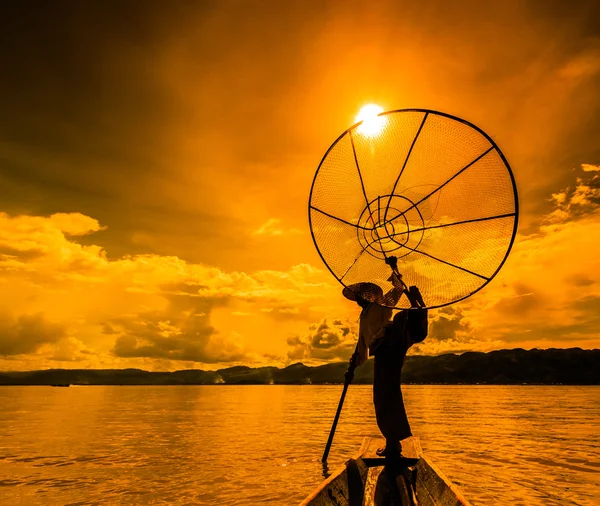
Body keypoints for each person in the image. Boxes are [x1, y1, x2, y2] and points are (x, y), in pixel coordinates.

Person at [342, 259, 428, 459]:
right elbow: (362, 343)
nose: (358, 300)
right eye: (358, 297)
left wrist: (394, 268)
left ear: (368, 296)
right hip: (382, 350)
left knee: (385, 394)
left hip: (390, 344)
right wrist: (352, 367)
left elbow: (399, 289)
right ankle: (393, 441)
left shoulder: (381, 304)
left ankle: (393, 444)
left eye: (360, 296)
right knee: (383, 394)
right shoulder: (365, 315)